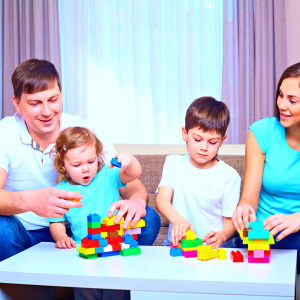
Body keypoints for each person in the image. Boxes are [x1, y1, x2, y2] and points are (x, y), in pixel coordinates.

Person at [0, 59, 160, 262]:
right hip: (24, 234)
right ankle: (30, 287)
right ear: (17, 103)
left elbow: (127, 180)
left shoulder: (82, 132)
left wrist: (136, 201)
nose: (47, 111)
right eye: (35, 103)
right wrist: (30, 200)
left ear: (62, 93)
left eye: (53, 99)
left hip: (85, 232)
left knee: (149, 218)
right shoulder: (5, 133)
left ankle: (105, 276)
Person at [49, 127, 141, 300]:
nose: (85, 169)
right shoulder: (61, 190)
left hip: (115, 247)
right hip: (83, 251)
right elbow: (56, 222)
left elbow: (135, 173)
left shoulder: (107, 174)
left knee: (118, 291)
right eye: (77, 165)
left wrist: (127, 158)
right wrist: (61, 237)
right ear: (63, 165)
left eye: (91, 162)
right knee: (86, 293)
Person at [232, 62, 300, 273]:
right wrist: (244, 208)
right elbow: (249, 199)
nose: (282, 105)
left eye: (292, 100)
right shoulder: (261, 132)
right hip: (264, 233)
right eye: (280, 95)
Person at [156, 97, 241, 248]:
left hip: (215, 248)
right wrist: (178, 220)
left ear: (222, 141)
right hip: (177, 245)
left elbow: (230, 224)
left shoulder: (230, 176)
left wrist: (221, 236)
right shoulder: (173, 163)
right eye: (197, 139)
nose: (204, 147)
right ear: (185, 134)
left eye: (212, 142)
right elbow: (162, 199)